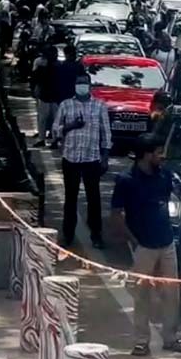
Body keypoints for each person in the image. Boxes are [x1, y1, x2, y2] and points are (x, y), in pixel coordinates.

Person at [112, 134, 181, 356]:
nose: (162, 156)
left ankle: (171, 337)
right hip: (143, 245)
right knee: (142, 294)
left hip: (166, 243)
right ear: (146, 155)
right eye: (157, 152)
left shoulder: (164, 176)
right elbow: (116, 215)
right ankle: (141, 340)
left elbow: (165, 204)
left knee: (171, 293)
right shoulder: (126, 180)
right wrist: (134, 242)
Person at [53, 73, 111, 249]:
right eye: (79, 83)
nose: (82, 86)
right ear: (75, 86)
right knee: (70, 198)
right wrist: (71, 126)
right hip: (70, 158)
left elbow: (106, 133)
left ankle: (96, 235)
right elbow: (55, 130)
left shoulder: (99, 106)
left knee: (94, 199)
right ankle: (68, 235)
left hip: (91, 158)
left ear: (90, 85)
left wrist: (105, 157)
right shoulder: (66, 105)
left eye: (84, 83)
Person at [30, 44, 59, 147]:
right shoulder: (42, 67)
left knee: (54, 119)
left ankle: (53, 139)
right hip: (45, 96)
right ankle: (43, 138)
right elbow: (35, 79)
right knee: (43, 119)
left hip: (54, 97)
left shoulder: (58, 67)